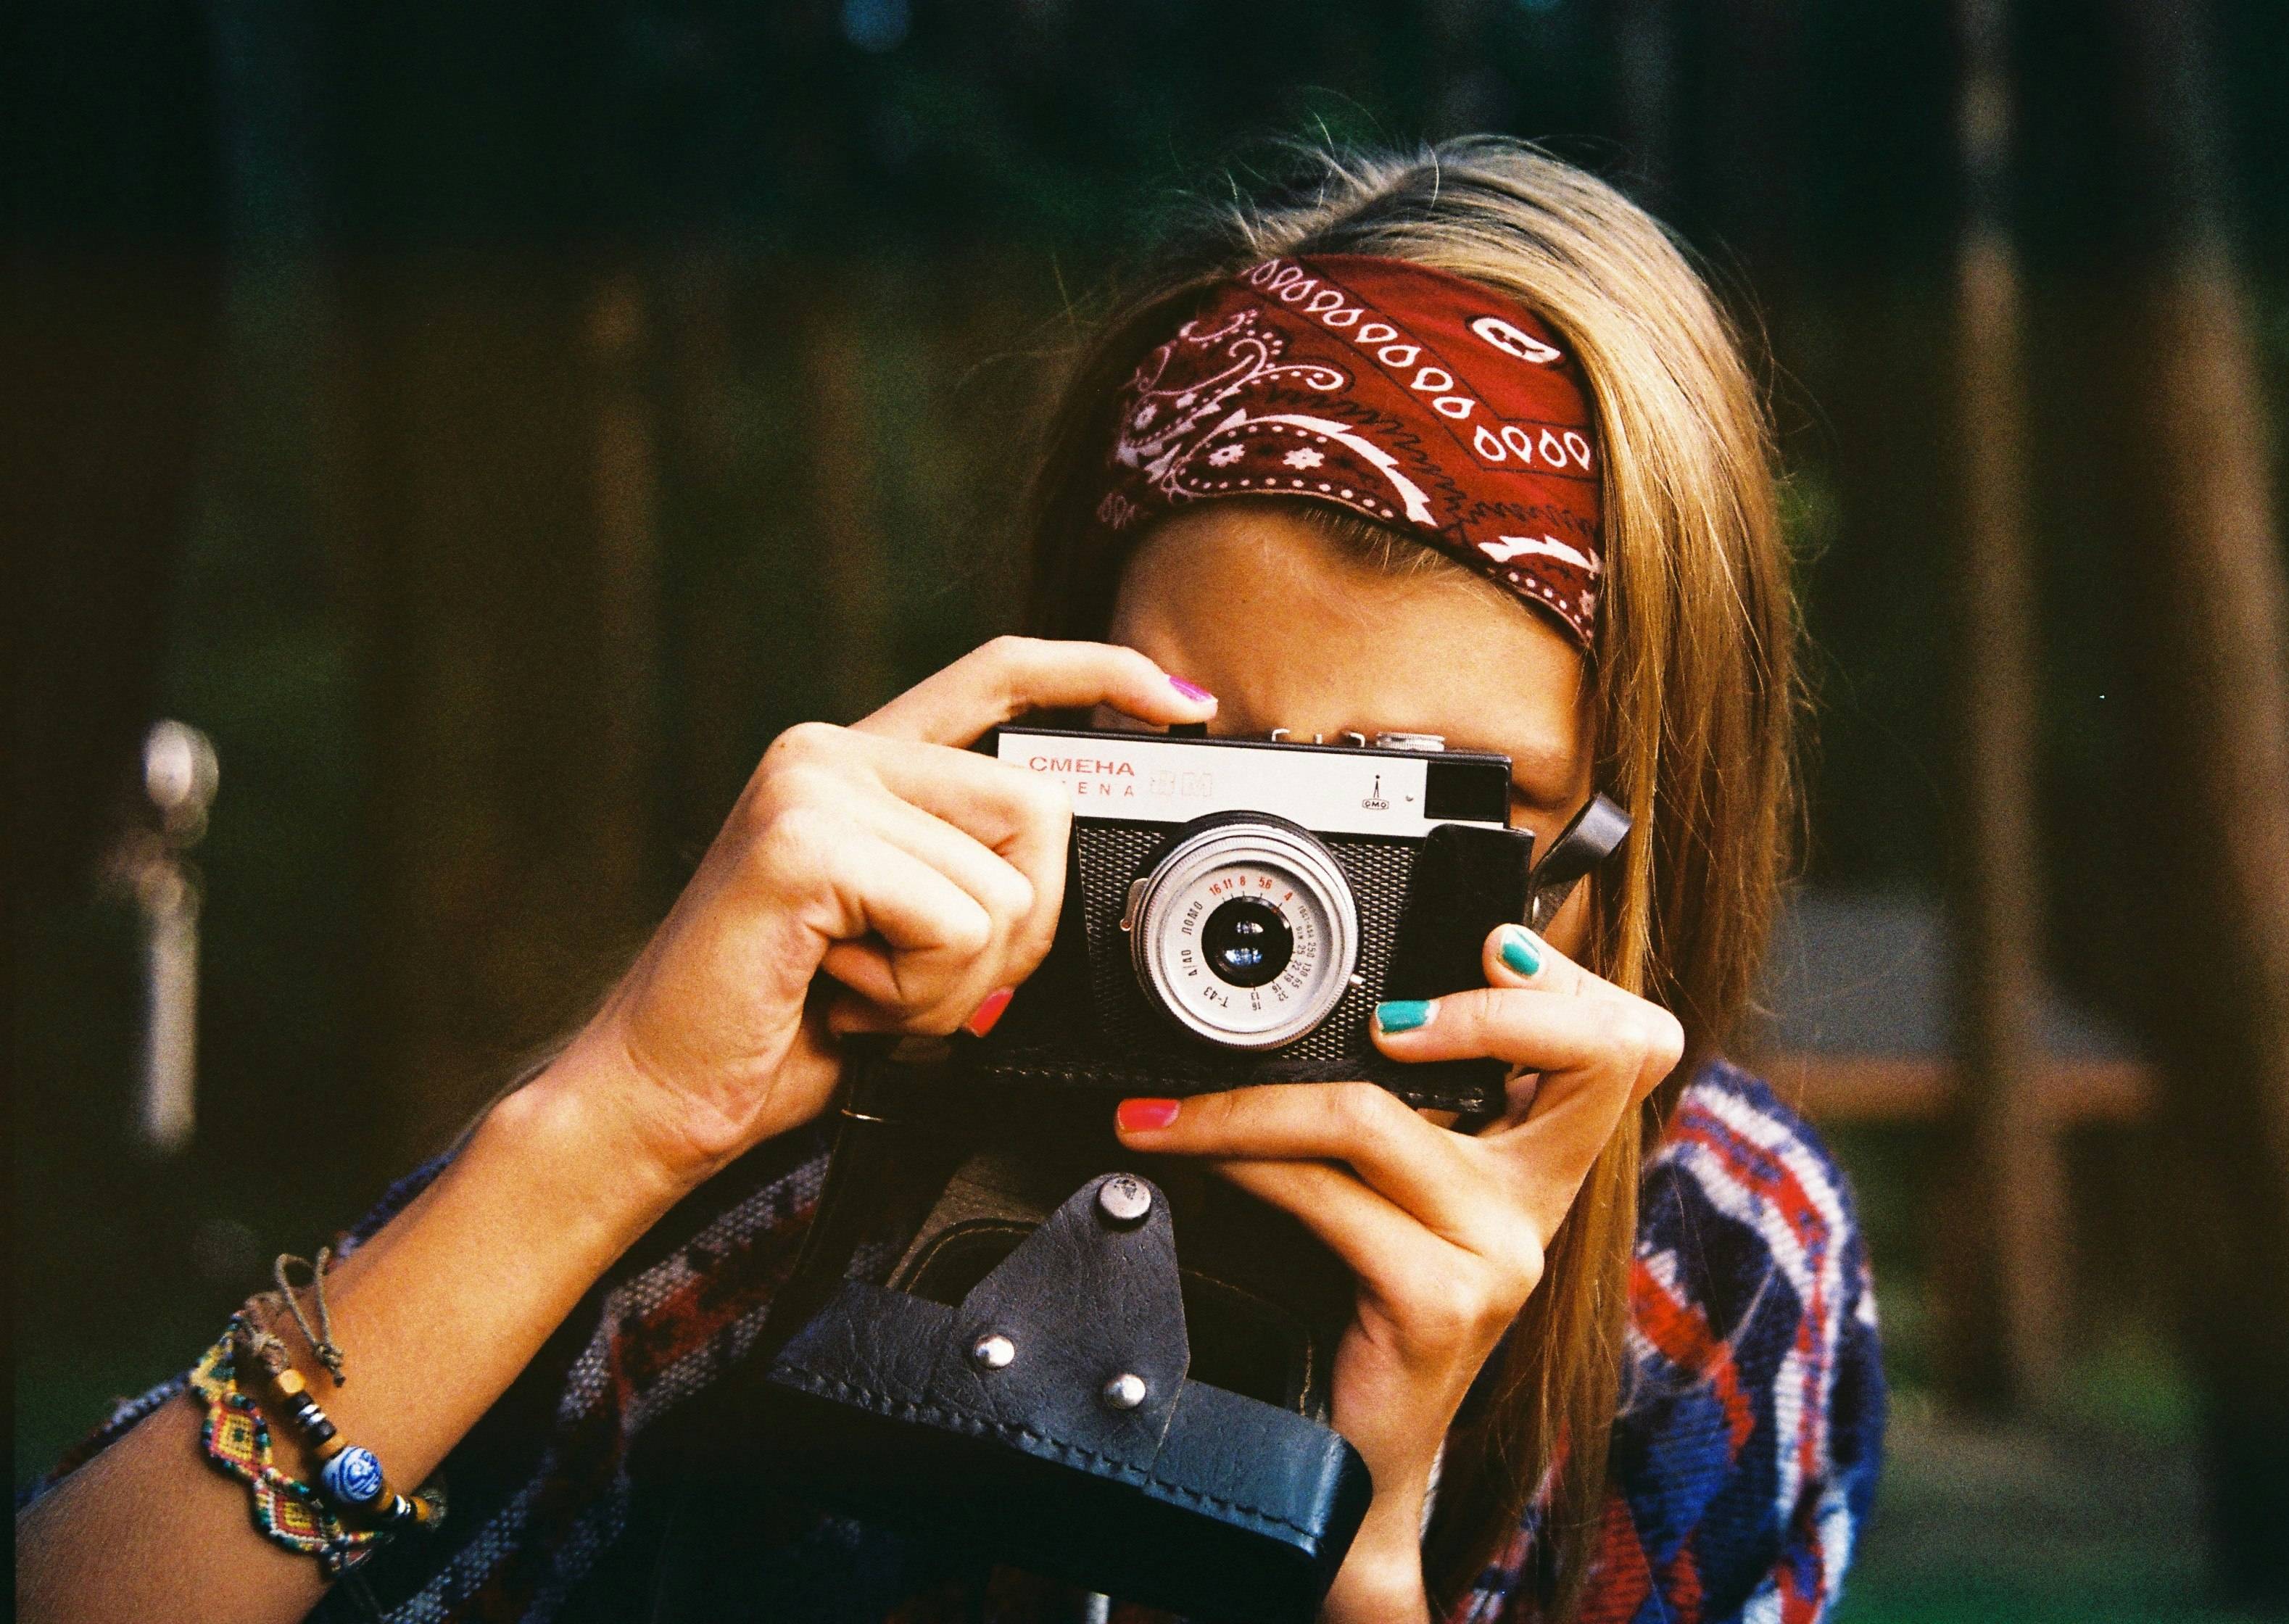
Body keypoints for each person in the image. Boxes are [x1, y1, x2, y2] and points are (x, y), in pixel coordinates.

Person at [17, 138, 1884, 1624]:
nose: (1264, 909)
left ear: (1627, 834)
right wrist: (615, 1122)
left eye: (1409, 805)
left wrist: (1367, 1548)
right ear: (1058, 711)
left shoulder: (1708, 1268)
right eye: (1199, 769)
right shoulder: (806, 1141)